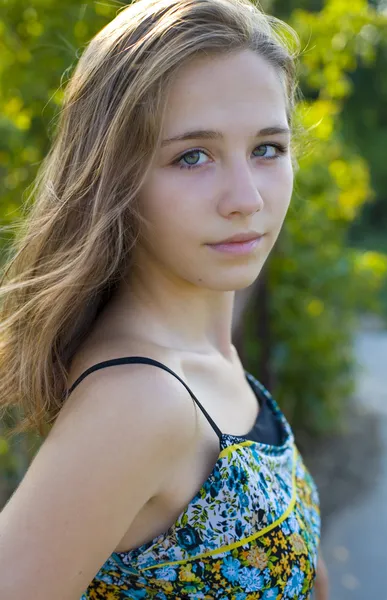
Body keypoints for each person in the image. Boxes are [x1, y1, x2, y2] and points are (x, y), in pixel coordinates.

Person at [0, 0, 329, 597]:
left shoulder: (207, 357)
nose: (246, 198)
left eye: (267, 149)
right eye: (192, 156)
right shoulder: (139, 401)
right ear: (114, 179)